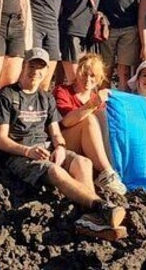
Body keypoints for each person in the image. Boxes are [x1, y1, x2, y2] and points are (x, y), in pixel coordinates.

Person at [0, 48, 127, 241]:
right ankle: (99, 207)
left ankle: (88, 220)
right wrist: (28, 151)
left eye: (41, 68)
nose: (36, 72)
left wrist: (61, 147)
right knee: (54, 172)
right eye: (32, 66)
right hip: (19, 155)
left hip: (45, 147)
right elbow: (0, 140)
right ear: (24, 66)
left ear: (47, 72)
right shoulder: (8, 96)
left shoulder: (46, 98)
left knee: (84, 163)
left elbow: (55, 131)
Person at [53, 54, 127, 195]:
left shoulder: (98, 99)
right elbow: (66, 121)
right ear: (78, 72)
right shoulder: (63, 91)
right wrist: (91, 105)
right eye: (84, 74)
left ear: (99, 78)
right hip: (64, 141)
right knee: (89, 119)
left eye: (93, 76)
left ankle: (110, 170)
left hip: (89, 145)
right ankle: (106, 172)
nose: (88, 79)